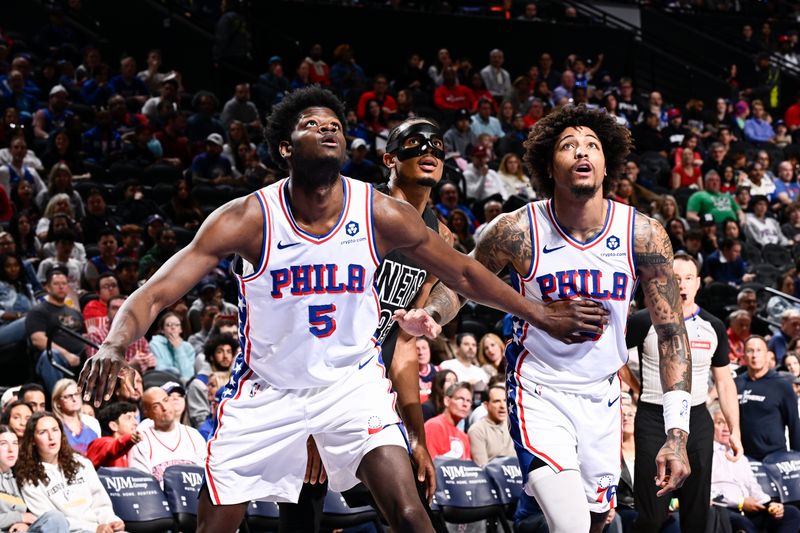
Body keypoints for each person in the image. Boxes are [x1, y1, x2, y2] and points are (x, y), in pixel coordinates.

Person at [78, 86, 604, 533]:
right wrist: (113, 344)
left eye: (335, 124)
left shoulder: (378, 212)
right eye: (312, 124)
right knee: (217, 523)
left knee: (408, 511)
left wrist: (542, 314)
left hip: (351, 386)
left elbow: (464, 273)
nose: (329, 130)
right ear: (286, 147)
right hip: (267, 390)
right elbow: (154, 292)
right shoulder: (247, 218)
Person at [421, 104, 691, 533]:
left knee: (598, 518)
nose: (582, 151)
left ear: (607, 164)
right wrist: (433, 314)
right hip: (539, 388)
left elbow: (673, 333)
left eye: (592, 145)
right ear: (551, 165)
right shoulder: (518, 229)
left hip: (602, 394)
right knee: (571, 525)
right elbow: (461, 279)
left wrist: (677, 432)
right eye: (569, 145)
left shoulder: (642, 233)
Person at [625, 252, 741, 533]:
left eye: (689, 278)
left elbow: (724, 382)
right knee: (651, 514)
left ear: (698, 282)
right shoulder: (643, 321)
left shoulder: (713, 326)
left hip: (698, 418)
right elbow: (616, 363)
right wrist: (638, 389)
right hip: (654, 417)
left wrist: (735, 429)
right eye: (677, 278)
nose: (684, 284)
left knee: (697, 513)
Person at [16, 412, 124, 532]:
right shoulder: (29, 478)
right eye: (43, 432)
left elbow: (100, 502)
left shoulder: (82, 463)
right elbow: (52, 522)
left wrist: (111, 521)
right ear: (32, 440)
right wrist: (94, 528)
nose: (51, 437)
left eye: (55, 430)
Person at [710, 402, 800, 532]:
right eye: (720, 422)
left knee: (791, 513)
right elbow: (708, 492)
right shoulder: (706, 454)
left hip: (751, 509)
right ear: (710, 425)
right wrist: (740, 503)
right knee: (742, 523)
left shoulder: (740, 456)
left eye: (729, 424)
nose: (725, 428)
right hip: (725, 509)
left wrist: (770, 504)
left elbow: (753, 487)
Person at [736, 335, 800, 460]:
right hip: (742, 458)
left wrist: (797, 458)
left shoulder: (782, 385)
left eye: (759, 350)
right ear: (743, 356)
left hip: (775, 457)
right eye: (750, 351)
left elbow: (794, 425)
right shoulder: (735, 384)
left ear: (768, 355)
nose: (755, 355)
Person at [25, 267, 86, 393]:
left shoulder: (75, 312)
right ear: (47, 287)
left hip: (80, 357)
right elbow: (38, 339)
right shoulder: (38, 311)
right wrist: (66, 354)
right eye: (56, 284)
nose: (61, 287)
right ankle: (58, 398)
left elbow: (83, 336)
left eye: (64, 283)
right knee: (51, 355)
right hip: (55, 359)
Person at [0, 424, 70, 533]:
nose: (11, 449)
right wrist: (20, 517)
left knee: (57, 519)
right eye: (3, 444)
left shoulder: (16, 477)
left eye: (15, 443)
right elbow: (24, 516)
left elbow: (29, 517)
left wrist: (25, 524)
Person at [128, 386, 206, 485]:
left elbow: (206, 476)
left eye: (165, 400)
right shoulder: (142, 441)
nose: (164, 408)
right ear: (147, 413)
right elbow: (142, 485)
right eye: (156, 406)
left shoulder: (193, 435)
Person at [467, 384, 514, 466]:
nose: (502, 406)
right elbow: (482, 467)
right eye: (497, 401)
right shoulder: (477, 430)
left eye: (505, 400)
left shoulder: (514, 426)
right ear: (486, 405)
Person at [423, 382, 472, 460]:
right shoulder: (434, 426)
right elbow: (431, 464)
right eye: (461, 399)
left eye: (469, 401)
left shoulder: (464, 437)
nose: (465, 404)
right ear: (447, 401)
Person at [51, 378, 99, 456]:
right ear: (57, 402)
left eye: (77, 394)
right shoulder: (55, 426)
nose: (74, 399)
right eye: (68, 396)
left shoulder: (92, 423)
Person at [86, 401, 141, 468]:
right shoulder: (100, 443)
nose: (135, 423)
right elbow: (112, 447)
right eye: (128, 418)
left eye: (134, 418)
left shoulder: (128, 449)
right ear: (113, 426)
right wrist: (130, 438)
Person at [149, 311, 195, 382]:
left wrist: (178, 349)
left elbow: (188, 375)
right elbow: (161, 370)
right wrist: (176, 372)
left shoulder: (188, 347)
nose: (173, 327)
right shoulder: (155, 344)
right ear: (162, 330)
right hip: (163, 382)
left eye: (177, 325)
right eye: (168, 325)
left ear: (181, 329)